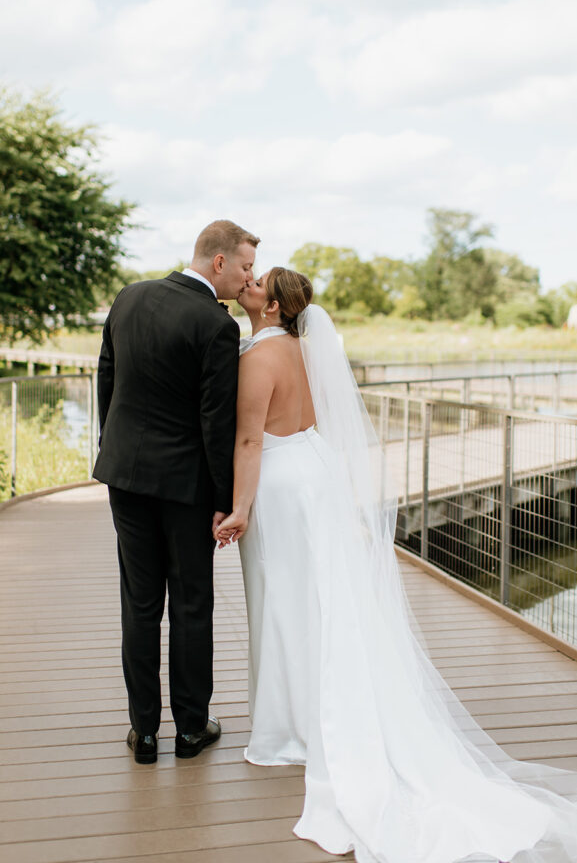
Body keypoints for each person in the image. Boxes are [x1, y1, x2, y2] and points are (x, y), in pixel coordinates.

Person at [214, 266, 577, 863]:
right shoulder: (302, 350)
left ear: (274, 307)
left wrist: (238, 508)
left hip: (280, 486)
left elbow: (250, 440)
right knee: (316, 598)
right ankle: (301, 720)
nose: (247, 285)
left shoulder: (258, 359)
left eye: (257, 285)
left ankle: (287, 733)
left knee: (281, 600)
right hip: (315, 475)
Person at [94, 220, 259, 764]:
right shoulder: (216, 325)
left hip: (126, 476)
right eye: (244, 266)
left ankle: (143, 732)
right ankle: (190, 729)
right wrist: (223, 498)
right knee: (190, 605)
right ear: (218, 263)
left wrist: (113, 449)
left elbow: (108, 381)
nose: (247, 277)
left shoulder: (129, 297)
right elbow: (216, 423)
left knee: (139, 605)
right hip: (186, 488)